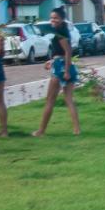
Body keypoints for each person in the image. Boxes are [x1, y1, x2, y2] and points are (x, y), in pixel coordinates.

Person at [34, 8, 80, 136]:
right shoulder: (63, 31)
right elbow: (62, 53)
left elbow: (68, 51)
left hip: (61, 68)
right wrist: (51, 61)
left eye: (55, 18)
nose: (53, 20)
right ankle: (76, 129)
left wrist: (65, 70)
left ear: (62, 19)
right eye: (51, 18)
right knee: (69, 100)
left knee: (50, 100)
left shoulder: (61, 33)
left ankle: (41, 130)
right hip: (64, 65)